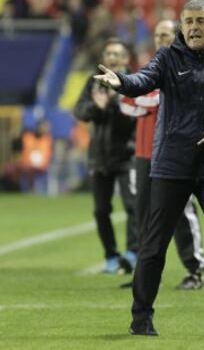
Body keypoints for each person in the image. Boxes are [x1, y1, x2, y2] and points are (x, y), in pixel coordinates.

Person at [94, 0, 204, 340]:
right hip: (171, 164)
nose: (194, 27)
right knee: (153, 245)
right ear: (182, 27)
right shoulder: (168, 57)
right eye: (188, 21)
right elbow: (143, 80)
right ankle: (141, 319)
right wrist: (121, 81)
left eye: (201, 21)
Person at [120, 19, 204, 290]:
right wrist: (143, 98)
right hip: (145, 154)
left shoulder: (186, 67)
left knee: (181, 213)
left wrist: (142, 98)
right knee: (144, 216)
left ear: (178, 36)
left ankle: (195, 270)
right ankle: (144, 274)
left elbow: (146, 99)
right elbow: (126, 103)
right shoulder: (151, 68)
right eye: (157, 35)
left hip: (175, 154)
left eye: (166, 34)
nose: (160, 39)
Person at [74, 38, 137, 274]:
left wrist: (110, 105)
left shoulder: (133, 83)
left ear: (125, 59)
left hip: (127, 155)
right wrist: (96, 107)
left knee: (133, 207)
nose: (112, 58)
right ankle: (111, 256)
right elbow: (79, 111)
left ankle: (133, 253)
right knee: (101, 210)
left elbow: (134, 117)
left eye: (117, 54)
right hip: (99, 157)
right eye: (108, 53)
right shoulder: (94, 83)